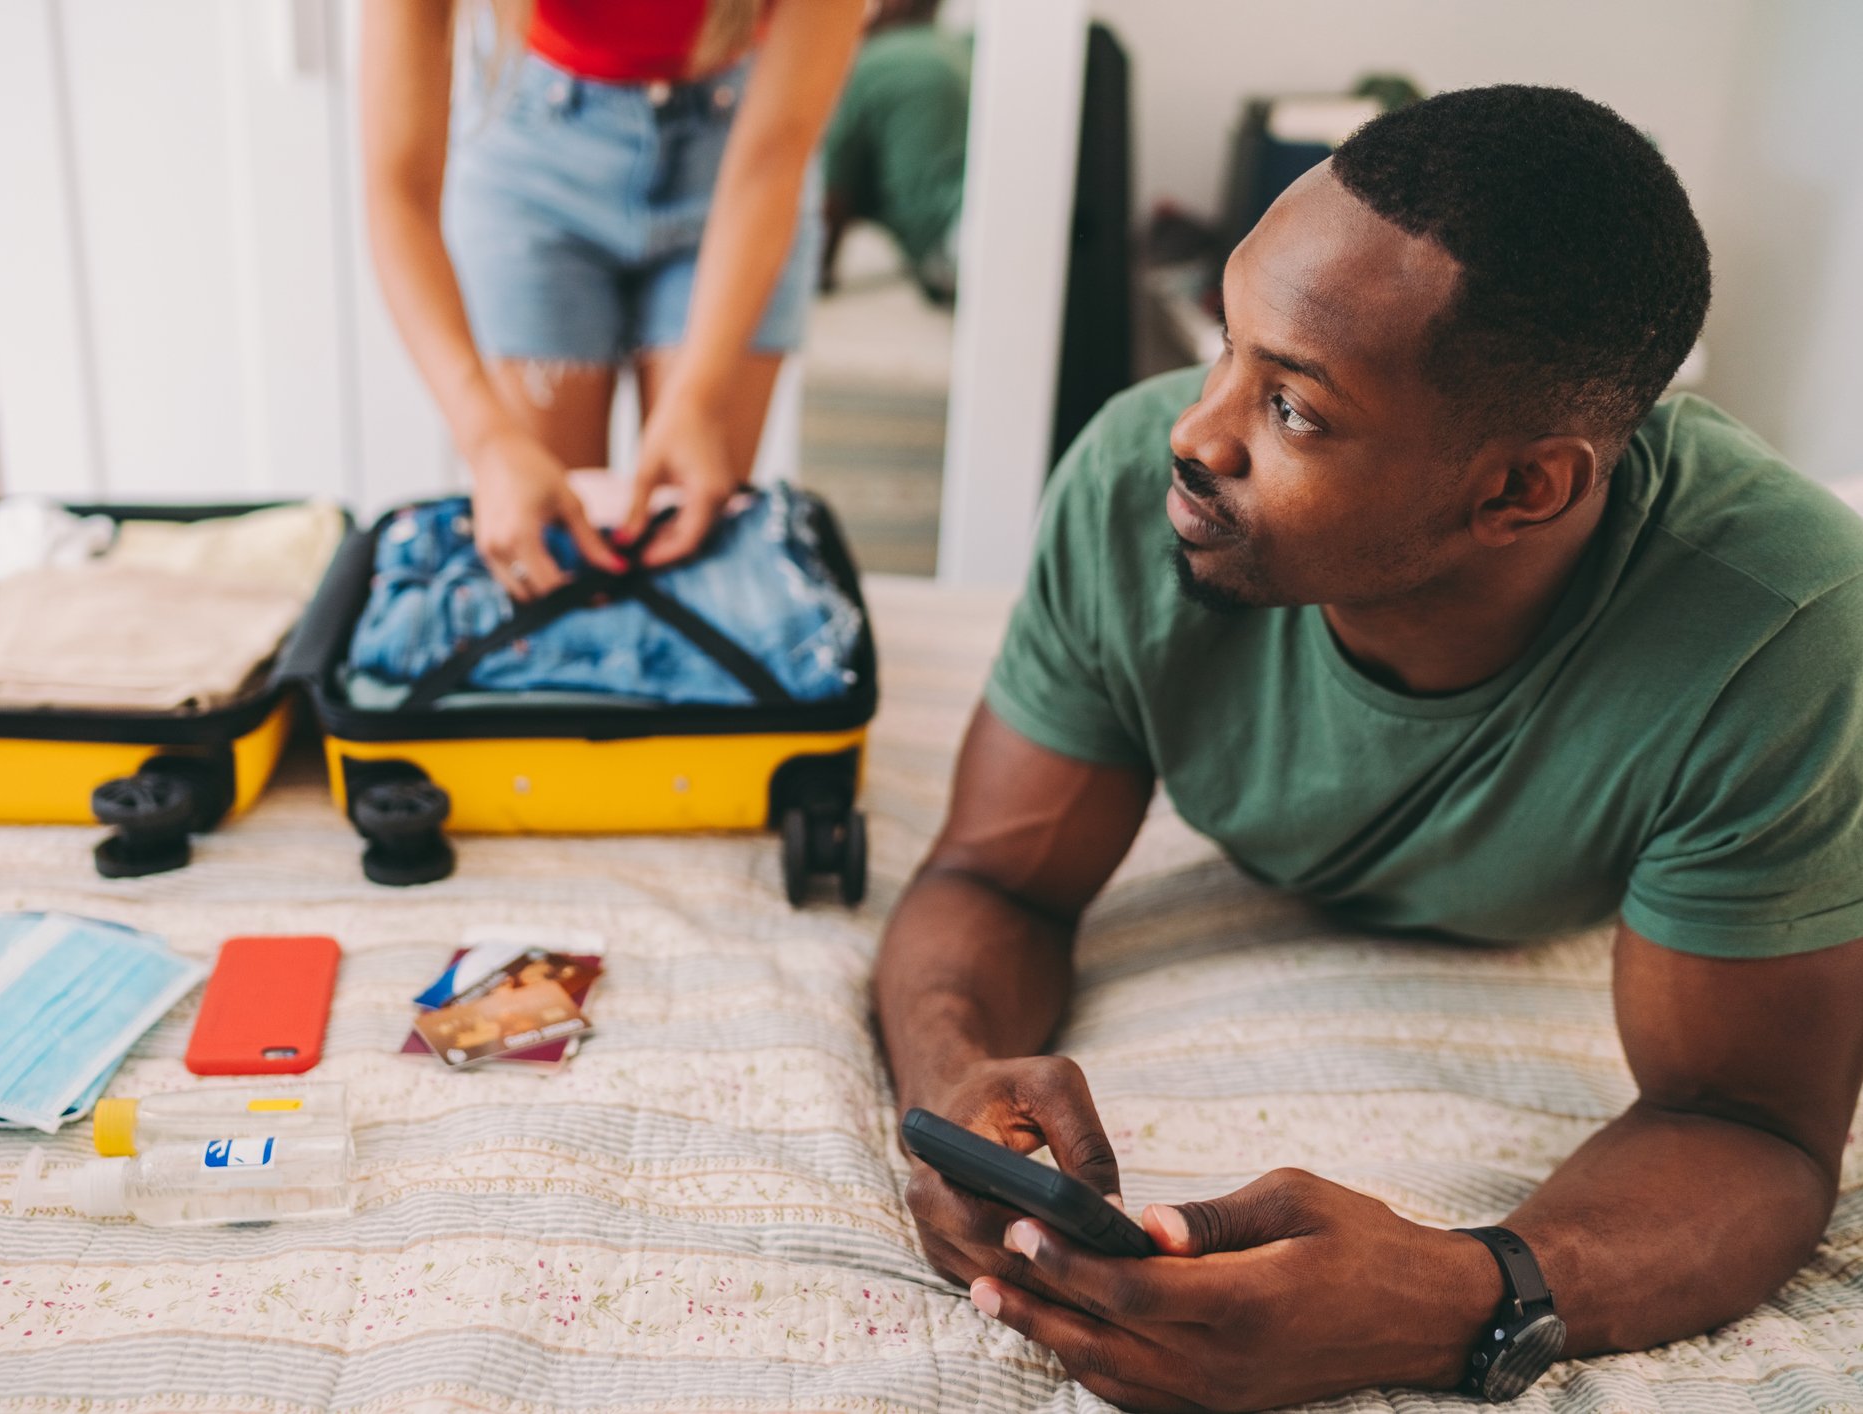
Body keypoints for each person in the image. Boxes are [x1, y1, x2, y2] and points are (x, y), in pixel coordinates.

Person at [872, 84, 1863, 1411]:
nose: (1194, 430)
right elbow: (996, 878)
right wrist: (957, 1101)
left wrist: (1459, 1295)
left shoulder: (1778, 627)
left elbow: (1751, 1126)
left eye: (1295, 408)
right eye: (1225, 343)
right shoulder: (1129, 494)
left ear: (1522, 488)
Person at [360, 0, 866, 601]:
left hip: (739, 150)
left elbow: (775, 155)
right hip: (534, 155)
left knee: (693, 563)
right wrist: (487, 441)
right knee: (557, 567)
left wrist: (699, 398)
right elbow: (399, 192)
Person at [819, 0, 970, 304]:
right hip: (976, 224)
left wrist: (818, 274)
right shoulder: (954, 48)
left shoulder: (871, 63)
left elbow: (830, 202)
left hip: (950, 245)